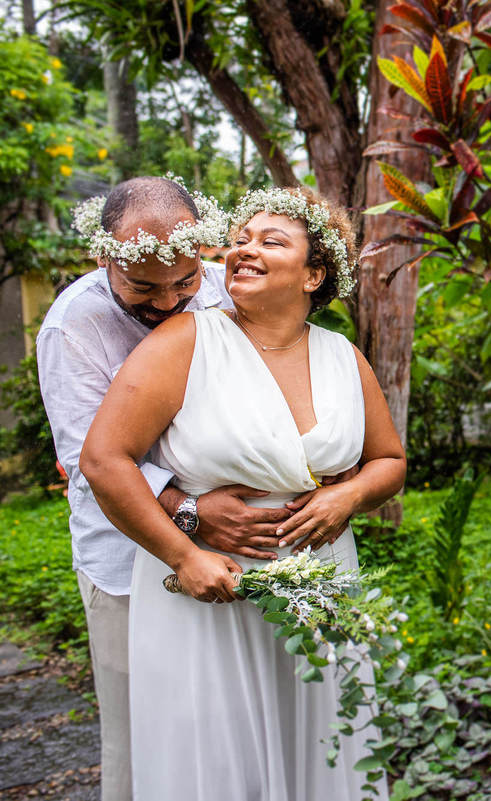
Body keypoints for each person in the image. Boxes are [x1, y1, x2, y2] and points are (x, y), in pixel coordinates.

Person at [80, 186, 407, 801]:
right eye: (238, 240)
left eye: (270, 241)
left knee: (319, 736)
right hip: (207, 591)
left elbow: (389, 461)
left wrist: (348, 497)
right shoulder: (184, 341)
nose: (242, 251)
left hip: (320, 585)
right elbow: (103, 460)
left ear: (314, 274)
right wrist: (184, 555)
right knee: (218, 760)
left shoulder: (343, 357)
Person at [36, 176, 306, 801]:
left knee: (229, 725)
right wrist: (189, 514)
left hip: (238, 552)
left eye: (182, 282)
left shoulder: (220, 290)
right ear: (102, 255)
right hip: (125, 561)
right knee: (141, 736)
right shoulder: (72, 328)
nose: (167, 302)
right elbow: (88, 461)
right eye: (143, 287)